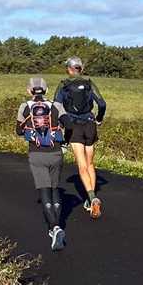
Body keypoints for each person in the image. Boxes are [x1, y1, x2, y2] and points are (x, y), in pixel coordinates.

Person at [16, 76, 68, 251]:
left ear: (29, 90)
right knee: (55, 189)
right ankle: (57, 226)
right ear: (46, 90)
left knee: (44, 190)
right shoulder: (57, 106)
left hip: (36, 153)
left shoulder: (24, 107)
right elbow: (68, 124)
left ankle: (54, 227)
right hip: (56, 152)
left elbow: (18, 131)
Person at [54, 56, 107, 217]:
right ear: (81, 68)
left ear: (69, 69)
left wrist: (60, 124)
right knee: (90, 164)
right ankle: (90, 199)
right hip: (90, 124)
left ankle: (92, 198)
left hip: (73, 126)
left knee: (82, 166)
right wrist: (99, 119)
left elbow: (56, 106)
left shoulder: (63, 84)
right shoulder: (89, 83)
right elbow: (102, 104)